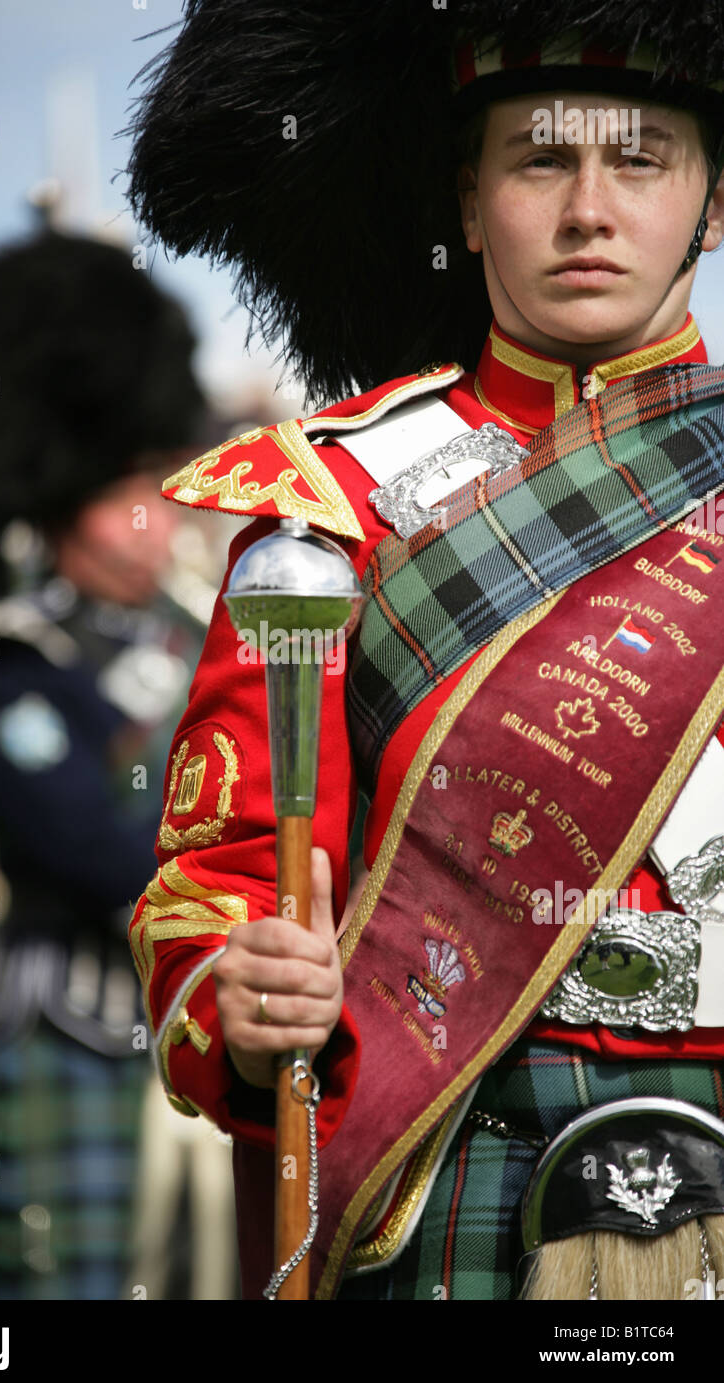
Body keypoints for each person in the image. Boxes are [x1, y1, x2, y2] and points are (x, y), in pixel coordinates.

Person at [124, 1, 724, 1299]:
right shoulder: (333, 505)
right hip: (445, 1164)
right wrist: (238, 984)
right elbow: (212, 879)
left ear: (713, 199)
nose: (585, 209)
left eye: (638, 157)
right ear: (467, 198)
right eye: (535, 157)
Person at [0, 229, 210, 1298]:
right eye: (121, 494)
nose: (152, 521)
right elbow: (97, 848)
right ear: (59, 504)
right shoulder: (8, 652)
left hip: (207, 1029)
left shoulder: (193, 633)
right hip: (74, 1026)